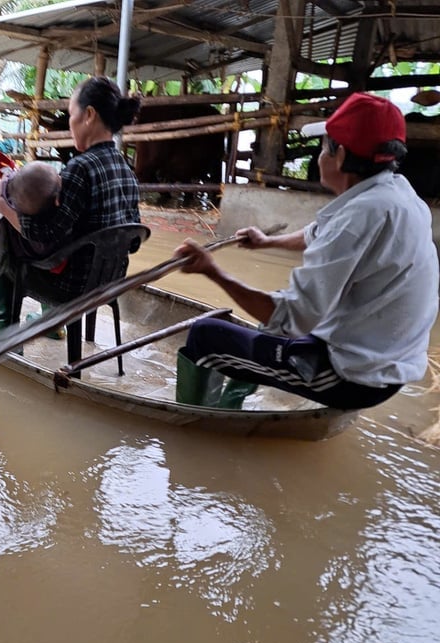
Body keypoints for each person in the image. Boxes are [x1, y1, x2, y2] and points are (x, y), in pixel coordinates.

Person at [173, 92, 439, 411]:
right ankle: (231, 405)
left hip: (351, 376)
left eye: (323, 147)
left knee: (204, 335)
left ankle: (196, 422)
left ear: (339, 156)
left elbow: (289, 319)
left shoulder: (357, 218)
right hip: (386, 366)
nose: (319, 157)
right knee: (267, 323)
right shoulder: (398, 195)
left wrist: (212, 271)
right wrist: (266, 241)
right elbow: (318, 234)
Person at [0, 75, 141, 335]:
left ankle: (6, 342)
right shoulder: (126, 169)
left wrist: (4, 206)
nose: (70, 124)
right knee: (55, 250)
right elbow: (134, 242)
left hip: (72, 288)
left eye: (71, 115)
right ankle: (50, 325)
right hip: (111, 283)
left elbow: (43, 237)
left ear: (89, 114)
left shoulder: (79, 169)